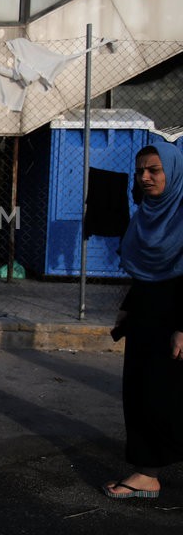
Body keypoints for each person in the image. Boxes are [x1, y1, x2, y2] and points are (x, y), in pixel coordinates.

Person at [103, 141, 183, 499]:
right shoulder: (146, 215)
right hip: (148, 313)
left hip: (177, 313)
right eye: (140, 171)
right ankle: (147, 472)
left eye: (154, 170)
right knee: (141, 392)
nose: (145, 177)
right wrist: (128, 309)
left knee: (169, 395)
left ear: (174, 172)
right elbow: (144, 273)